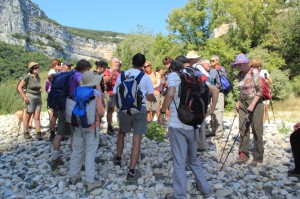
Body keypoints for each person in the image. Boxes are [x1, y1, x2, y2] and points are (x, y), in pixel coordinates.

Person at [158, 60, 217, 198]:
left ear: (171, 68)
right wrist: (211, 110)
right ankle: (206, 190)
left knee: (179, 162)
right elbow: (215, 90)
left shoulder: (173, 76)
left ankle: (180, 195)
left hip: (177, 125)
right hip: (194, 123)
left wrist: (162, 112)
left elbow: (171, 93)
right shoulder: (196, 76)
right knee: (193, 160)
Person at [113, 53, 156, 182]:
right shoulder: (145, 77)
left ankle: (118, 158)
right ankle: (131, 171)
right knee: (137, 138)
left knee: (122, 132)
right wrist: (153, 100)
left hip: (124, 109)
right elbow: (149, 96)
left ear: (132, 62)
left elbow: (116, 92)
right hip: (139, 109)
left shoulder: (122, 75)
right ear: (143, 64)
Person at [68, 71, 105, 192]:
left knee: (77, 150)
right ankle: (90, 181)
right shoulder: (96, 94)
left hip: (77, 126)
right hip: (92, 127)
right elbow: (101, 113)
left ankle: (74, 177)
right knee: (90, 153)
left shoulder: (76, 92)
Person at [231, 53, 264, 165]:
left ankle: (258, 156)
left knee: (257, 129)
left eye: (241, 64)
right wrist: (238, 102)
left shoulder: (254, 72)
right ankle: (243, 153)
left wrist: (252, 105)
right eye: (237, 65)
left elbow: (260, 91)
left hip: (256, 102)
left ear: (246, 63)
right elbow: (242, 90)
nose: (239, 66)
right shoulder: (240, 74)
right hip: (243, 102)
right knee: (242, 127)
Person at [17, 62, 43, 140]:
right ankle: (26, 132)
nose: (37, 69)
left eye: (38, 67)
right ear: (31, 69)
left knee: (37, 116)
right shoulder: (27, 77)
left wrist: (40, 89)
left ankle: (38, 133)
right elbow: (19, 87)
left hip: (38, 97)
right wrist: (24, 97)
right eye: (35, 68)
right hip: (30, 97)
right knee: (28, 115)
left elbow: (38, 86)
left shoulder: (38, 77)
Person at [250, 59, 273, 124]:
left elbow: (271, 81)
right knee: (255, 109)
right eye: (257, 66)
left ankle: (262, 125)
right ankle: (255, 125)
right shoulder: (251, 72)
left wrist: (266, 81)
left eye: (260, 66)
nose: (259, 67)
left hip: (264, 93)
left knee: (264, 109)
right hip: (254, 93)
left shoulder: (264, 72)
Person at [103, 57, 121, 135]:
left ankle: (120, 125)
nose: (117, 63)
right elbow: (105, 80)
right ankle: (109, 126)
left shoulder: (120, 72)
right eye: (115, 62)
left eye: (118, 62)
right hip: (111, 93)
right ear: (112, 63)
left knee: (120, 109)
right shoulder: (108, 71)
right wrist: (112, 74)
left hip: (119, 93)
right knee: (110, 109)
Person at [209, 55, 226, 139]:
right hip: (214, 92)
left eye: (212, 61)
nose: (211, 62)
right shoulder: (214, 70)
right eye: (210, 60)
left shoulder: (218, 70)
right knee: (212, 111)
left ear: (217, 61)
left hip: (218, 92)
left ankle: (218, 133)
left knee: (218, 111)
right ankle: (213, 131)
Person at [46, 59, 62, 142]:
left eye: (59, 64)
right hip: (55, 96)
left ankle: (57, 132)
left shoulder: (56, 72)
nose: (59, 65)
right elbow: (50, 79)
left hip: (57, 95)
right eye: (58, 64)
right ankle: (52, 133)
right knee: (55, 114)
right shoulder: (52, 72)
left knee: (57, 114)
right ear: (54, 65)